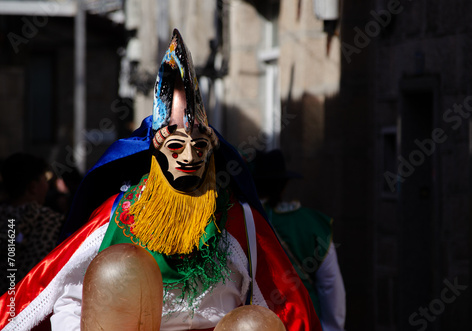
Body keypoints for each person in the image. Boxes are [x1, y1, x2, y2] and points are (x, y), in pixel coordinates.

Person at [0, 29, 321, 331]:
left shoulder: (238, 221)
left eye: (199, 146)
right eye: (176, 146)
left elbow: (287, 308)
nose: (189, 156)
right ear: (157, 153)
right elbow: (63, 291)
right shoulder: (120, 214)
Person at [251, 149, 346, 331]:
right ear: (284, 186)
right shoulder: (313, 223)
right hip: (304, 321)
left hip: (256, 322)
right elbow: (330, 285)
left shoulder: (239, 220)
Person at [0, 153, 65, 293]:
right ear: (33, 187)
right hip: (31, 302)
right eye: (44, 180)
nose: (47, 186)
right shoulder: (52, 222)